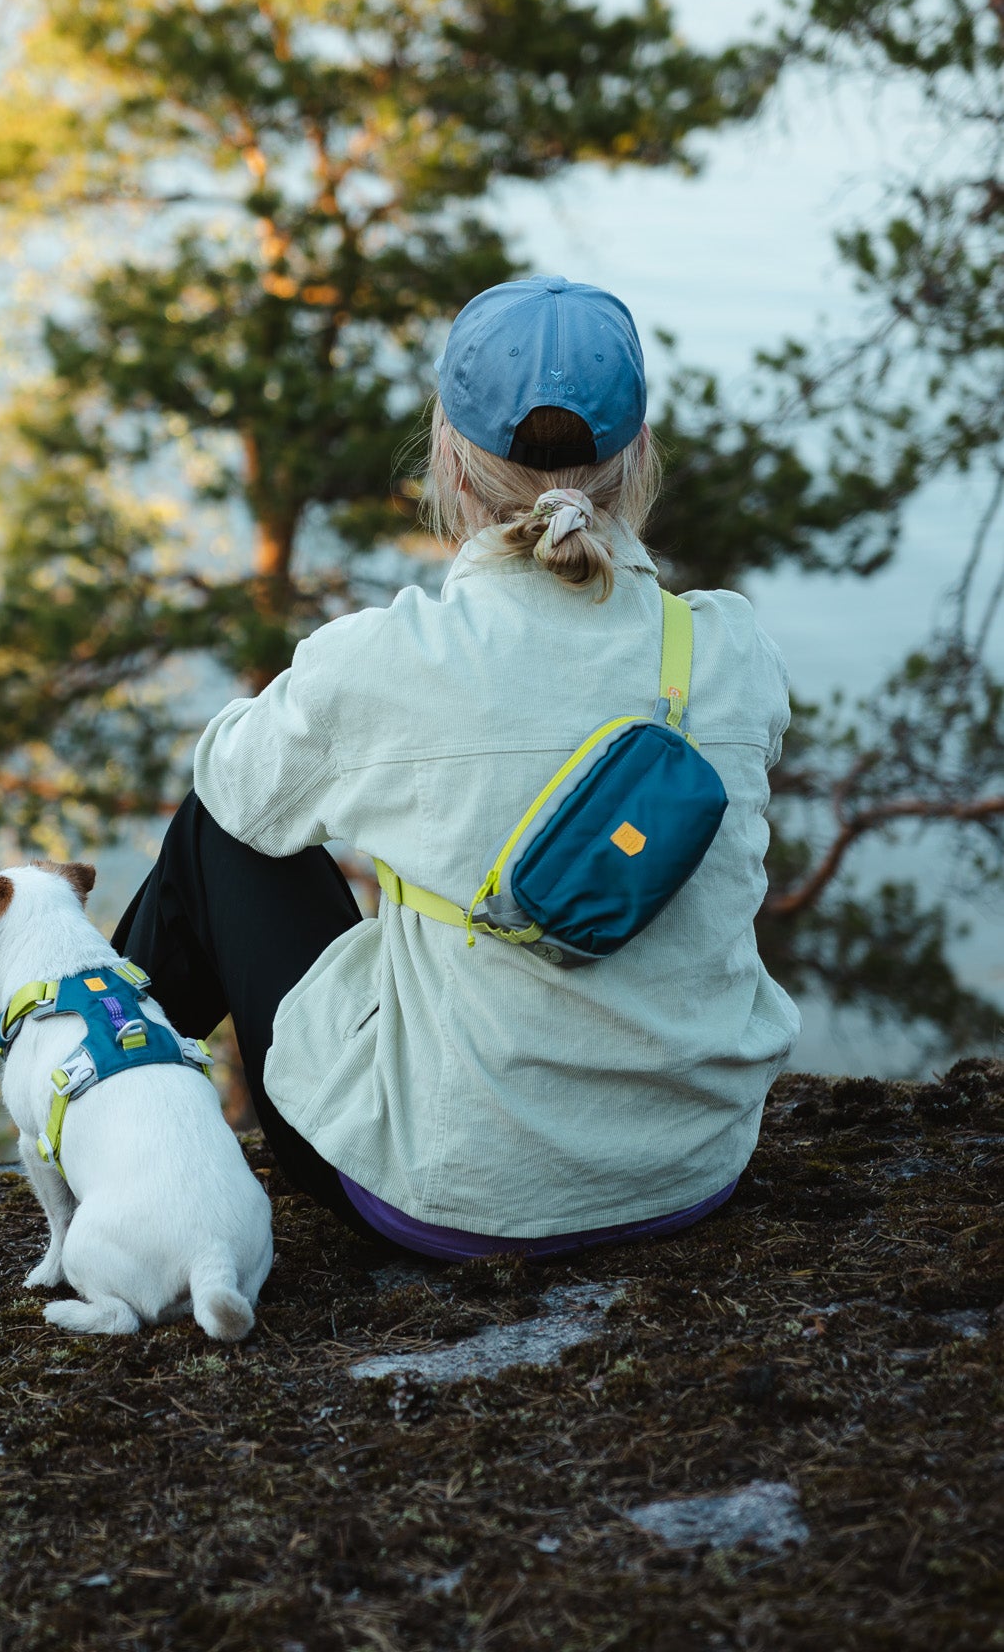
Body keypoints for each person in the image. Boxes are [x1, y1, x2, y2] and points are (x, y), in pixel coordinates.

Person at [112, 273, 800, 1261]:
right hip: (692, 1169)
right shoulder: (732, 651)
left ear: (449, 456)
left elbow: (232, 779)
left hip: (455, 1194)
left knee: (226, 826)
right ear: (640, 452)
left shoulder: (396, 659)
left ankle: (104, 1101)